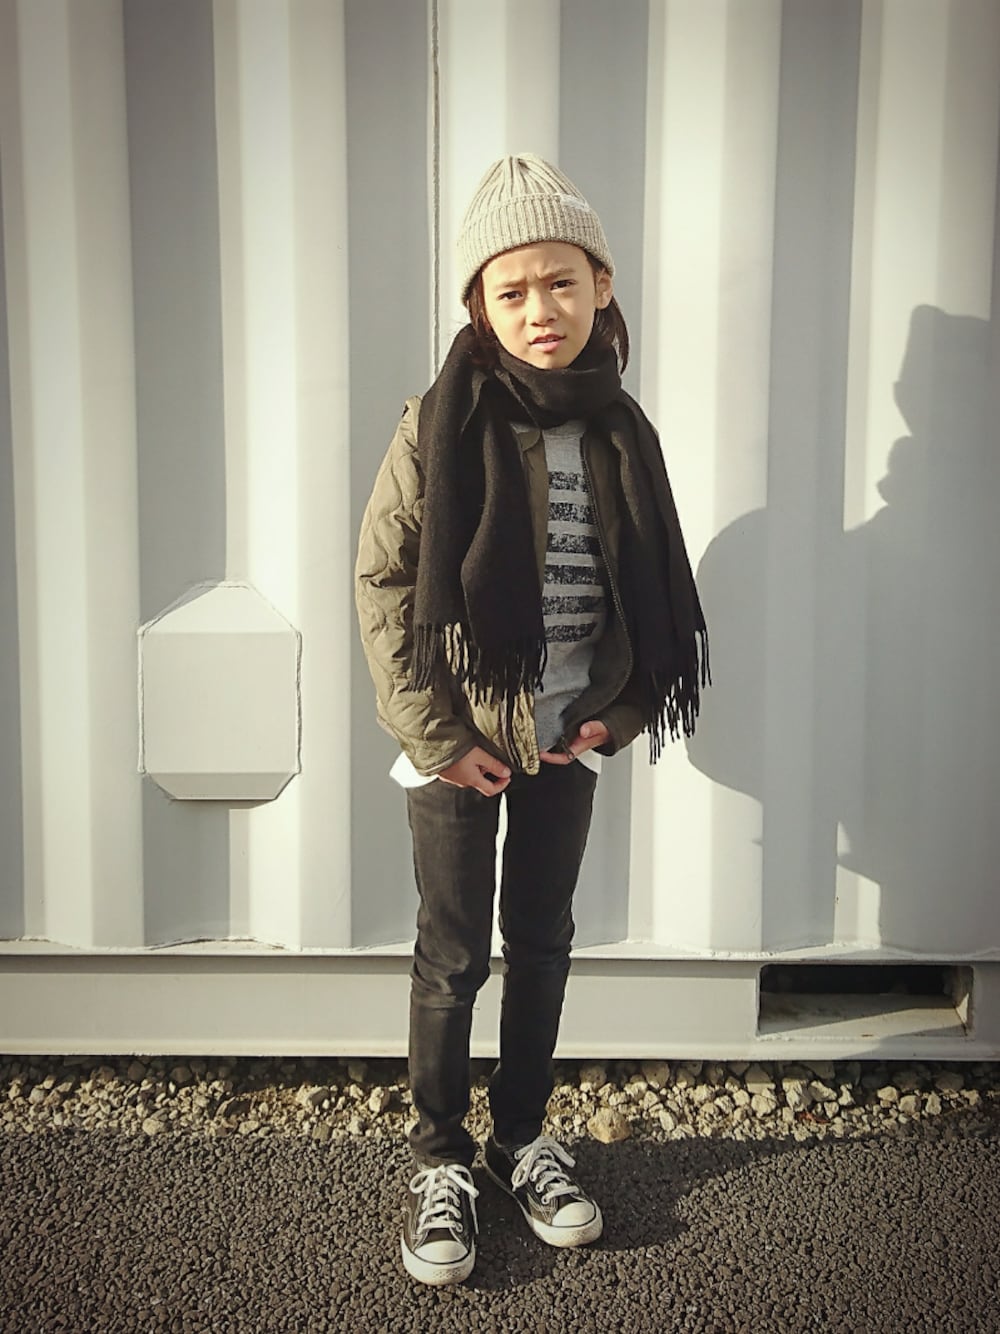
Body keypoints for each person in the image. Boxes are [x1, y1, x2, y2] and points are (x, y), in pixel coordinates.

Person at [355, 154, 708, 1286]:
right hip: (457, 744)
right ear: (480, 306)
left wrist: (618, 714)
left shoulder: (621, 430)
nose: (538, 309)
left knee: (544, 943)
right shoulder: (438, 424)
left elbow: (646, 590)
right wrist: (436, 738)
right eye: (510, 291)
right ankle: (440, 1158)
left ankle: (519, 1138)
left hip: (565, 737)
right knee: (453, 954)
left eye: (560, 281)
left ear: (601, 285)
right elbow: (383, 583)